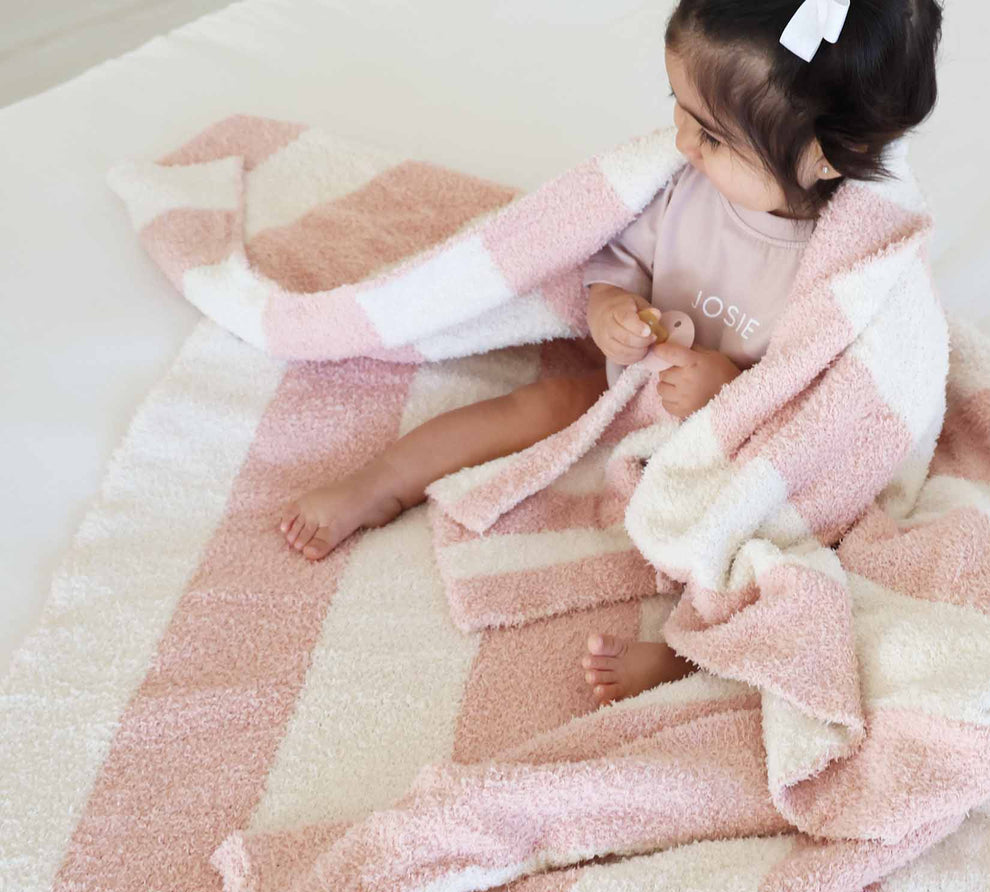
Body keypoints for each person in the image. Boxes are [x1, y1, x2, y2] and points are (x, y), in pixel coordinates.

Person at [279, 0, 943, 703]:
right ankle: (385, 481)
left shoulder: (845, 269)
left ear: (820, 158)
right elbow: (619, 251)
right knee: (544, 402)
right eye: (677, 109)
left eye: (713, 136)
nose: (682, 142)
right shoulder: (687, 190)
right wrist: (610, 306)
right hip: (632, 406)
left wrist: (728, 385)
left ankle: (693, 652)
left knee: (779, 553)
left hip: (738, 457)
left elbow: (820, 403)